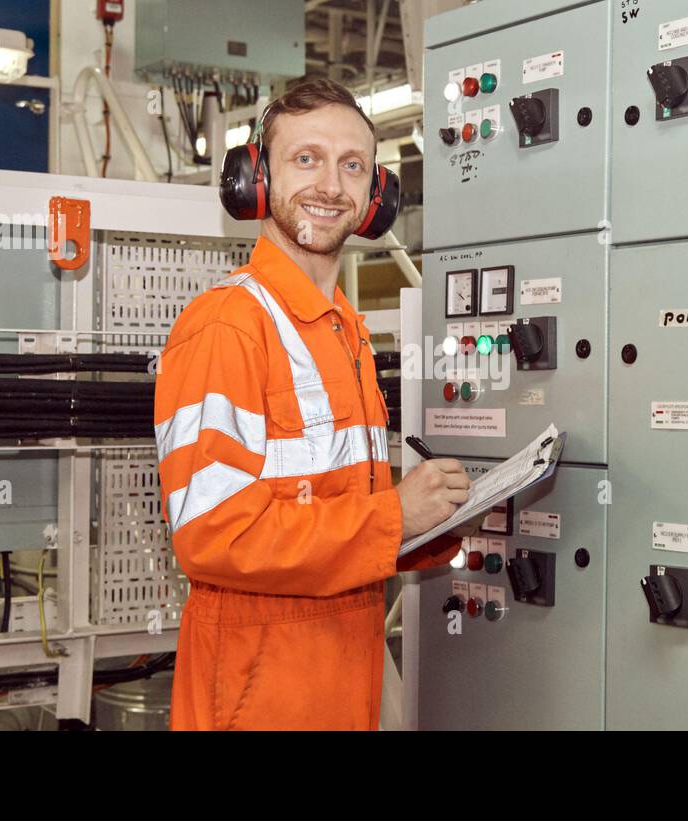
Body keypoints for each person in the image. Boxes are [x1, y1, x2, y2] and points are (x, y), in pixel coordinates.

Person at [153, 79, 469, 730]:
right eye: (307, 159)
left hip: (343, 692)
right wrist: (393, 517)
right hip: (257, 706)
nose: (331, 185)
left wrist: (429, 524)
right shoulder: (230, 325)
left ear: (375, 196)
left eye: (351, 165)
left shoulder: (341, 331)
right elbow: (214, 534)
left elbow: (336, 517)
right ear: (256, 180)